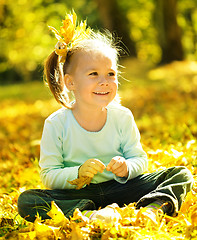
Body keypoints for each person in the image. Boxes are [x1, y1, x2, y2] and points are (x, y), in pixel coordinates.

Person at [17, 11, 193, 223]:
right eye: (93, 74)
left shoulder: (122, 117)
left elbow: (140, 160)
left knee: (180, 175)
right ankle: (90, 215)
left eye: (111, 74)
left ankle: (151, 210)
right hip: (79, 195)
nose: (105, 81)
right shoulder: (56, 124)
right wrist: (78, 172)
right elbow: (49, 175)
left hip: (121, 188)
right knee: (28, 200)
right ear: (70, 82)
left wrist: (127, 167)